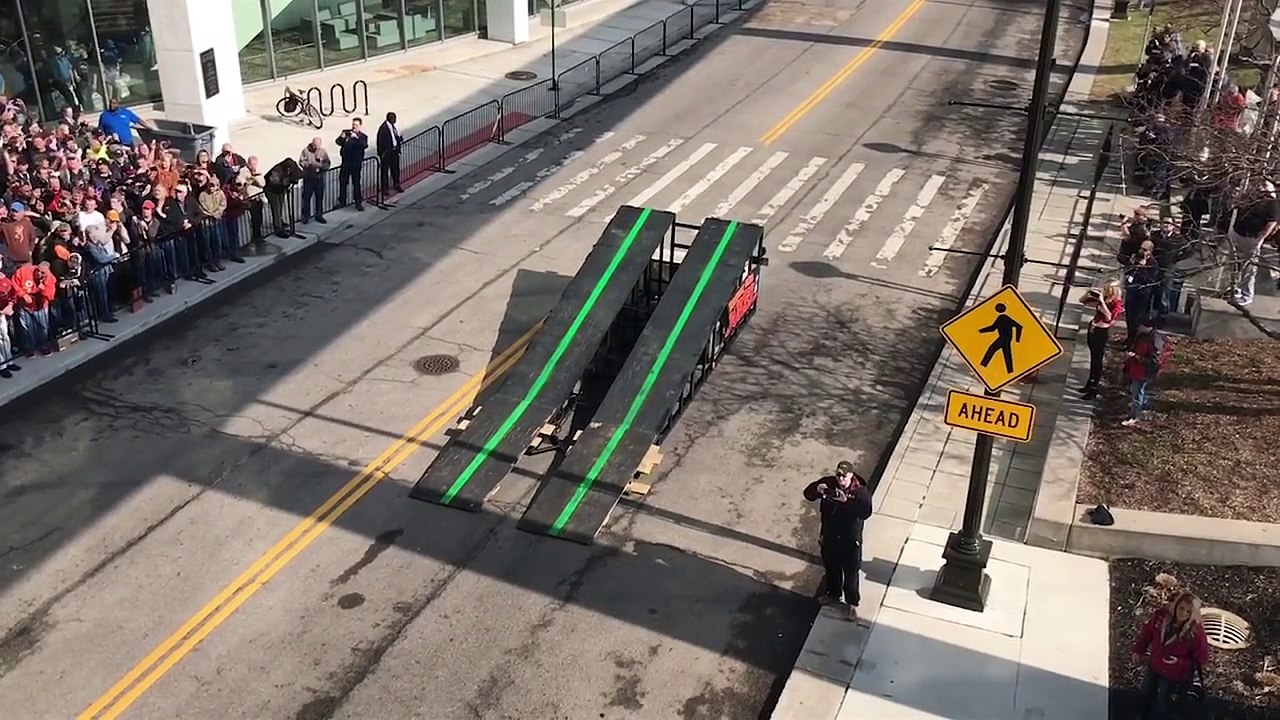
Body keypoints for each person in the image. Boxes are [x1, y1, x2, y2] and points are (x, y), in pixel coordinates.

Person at [802, 460, 873, 621]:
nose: (841, 479)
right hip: (830, 534)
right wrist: (817, 489)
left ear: (851, 475)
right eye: (838, 475)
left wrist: (846, 502)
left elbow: (865, 512)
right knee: (832, 566)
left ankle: (852, 603)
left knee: (850, 571)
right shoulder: (829, 484)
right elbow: (808, 494)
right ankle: (833, 594)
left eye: (844, 476)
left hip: (849, 538)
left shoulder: (860, 492)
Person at [1131, 591, 1209, 719]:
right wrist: (1139, 650)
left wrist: (1179, 662)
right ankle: (1142, 715)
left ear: (1193, 614)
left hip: (1172, 674)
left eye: (1188, 612)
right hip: (1154, 664)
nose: (1183, 613)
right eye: (1181, 608)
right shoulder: (1161, 617)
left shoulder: (1195, 632)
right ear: (1176, 605)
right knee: (1146, 692)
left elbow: (1201, 658)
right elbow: (1147, 633)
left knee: (1163, 700)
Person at [1080, 279, 1123, 400]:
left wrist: (1102, 302)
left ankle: (1094, 388)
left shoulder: (1116, 303)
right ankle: (1089, 383)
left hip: (1101, 331)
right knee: (1093, 358)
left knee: (1097, 361)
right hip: (1093, 327)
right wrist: (1090, 294)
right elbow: (1083, 301)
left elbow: (1109, 317)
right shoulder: (1103, 298)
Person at [1122, 318, 1169, 427]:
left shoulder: (1154, 341)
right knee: (1138, 391)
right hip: (1136, 370)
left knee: (1137, 393)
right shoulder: (1143, 335)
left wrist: (1136, 357)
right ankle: (1139, 407)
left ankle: (1134, 416)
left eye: (1142, 325)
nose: (1139, 327)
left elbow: (1153, 361)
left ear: (1148, 327)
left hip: (1143, 372)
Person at [336, 117, 369, 211]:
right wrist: (342, 137)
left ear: (360, 126)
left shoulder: (362, 136)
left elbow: (364, 145)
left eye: (356, 125)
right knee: (343, 182)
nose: (354, 126)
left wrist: (356, 138)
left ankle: (358, 201)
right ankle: (342, 200)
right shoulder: (346, 133)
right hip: (346, 163)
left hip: (356, 163)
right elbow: (338, 142)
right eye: (353, 124)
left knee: (356, 183)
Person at [298, 137, 330, 224]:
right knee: (306, 198)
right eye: (315, 145)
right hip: (308, 178)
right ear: (312, 143)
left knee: (319, 197)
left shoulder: (323, 152)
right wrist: (310, 164)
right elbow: (301, 162)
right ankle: (305, 216)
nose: (316, 147)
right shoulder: (305, 151)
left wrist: (321, 167)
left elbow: (327, 163)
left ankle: (319, 215)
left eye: (318, 145)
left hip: (319, 178)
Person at [377, 111, 404, 195]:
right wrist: (382, 154)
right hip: (387, 153)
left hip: (394, 151)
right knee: (385, 171)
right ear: (390, 119)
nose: (395, 120)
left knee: (395, 169)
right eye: (394, 118)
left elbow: (394, 137)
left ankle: (396, 184)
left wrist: (399, 140)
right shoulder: (383, 128)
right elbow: (380, 141)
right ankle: (385, 188)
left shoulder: (393, 127)